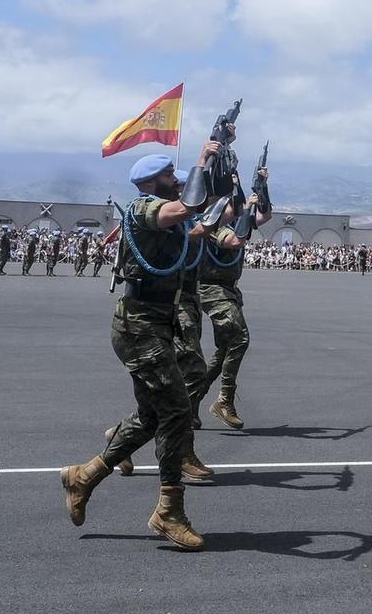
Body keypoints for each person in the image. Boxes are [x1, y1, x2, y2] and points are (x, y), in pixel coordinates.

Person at [58, 143, 229, 552]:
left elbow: (200, 213)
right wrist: (203, 162)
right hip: (139, 327)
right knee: (175, 411)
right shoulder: (143, 209)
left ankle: (84, 476)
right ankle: (168, 511)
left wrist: (223, 170)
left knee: (153, 415)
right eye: (171, 174)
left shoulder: (167, 216)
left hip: (154, 325)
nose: (177, 179)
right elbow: (186, 209)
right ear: (153, 183)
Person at [199, 157, 271, 429]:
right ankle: (224, 400)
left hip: (228, 290)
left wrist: (262, 188)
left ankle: (189, 402)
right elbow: (235, 241)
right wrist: (246, 209)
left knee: (224, 350)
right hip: (211, 289)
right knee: (240, 339)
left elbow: (265, 216)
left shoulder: (233, 218)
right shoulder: (211, 221)